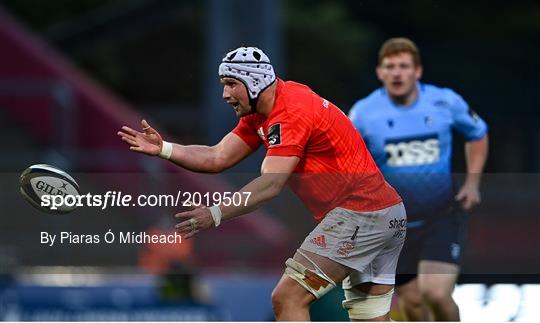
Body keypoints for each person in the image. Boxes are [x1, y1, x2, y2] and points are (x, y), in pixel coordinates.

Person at [118, 46, 406, 321]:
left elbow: (270, 184)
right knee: (371, 320)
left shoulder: (289, 112)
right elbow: (218, 156)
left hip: (360, 216)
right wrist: (165, 149)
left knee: (288, 298)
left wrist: (215, 213)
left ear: (254, 81)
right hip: (387, 214)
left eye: (231, 84)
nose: (225, 94)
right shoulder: (267, 109)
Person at [348, 38, 489, 321]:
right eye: (390, 67)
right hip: (393, 225)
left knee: (435, 293)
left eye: (403, 66)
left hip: (441, 216)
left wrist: (472, 183)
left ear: (418, 72)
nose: (397, 73)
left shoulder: (444, 102)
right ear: (380, 73)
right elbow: (349, 160)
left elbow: (477, 134)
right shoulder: (363, 113)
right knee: (411, 303)